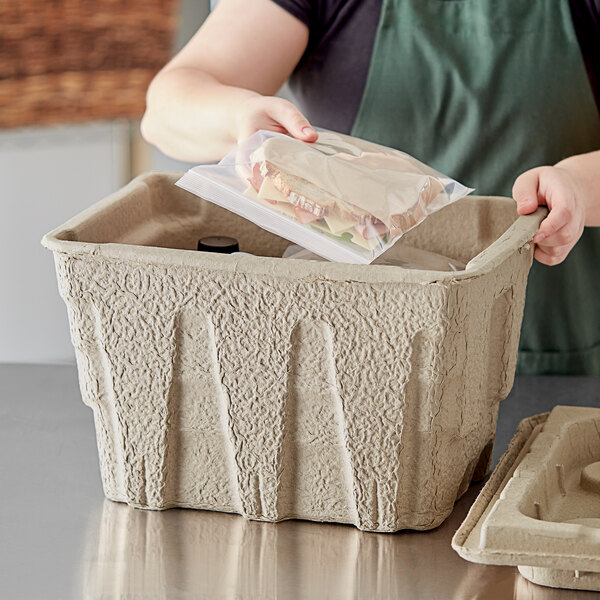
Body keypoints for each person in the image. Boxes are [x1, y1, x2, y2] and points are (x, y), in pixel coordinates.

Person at [141, 0, 600, 375]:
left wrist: (577, 185)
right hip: (349, 360)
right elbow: (168, 108)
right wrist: (240, 116)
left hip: (552, 363)